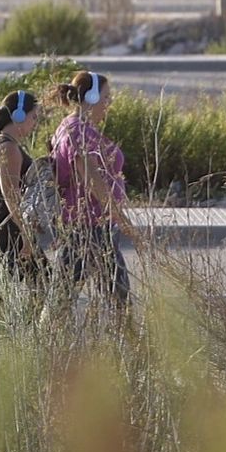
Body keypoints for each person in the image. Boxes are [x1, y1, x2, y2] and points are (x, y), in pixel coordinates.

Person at [49, 70, 139, 308]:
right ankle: (130, 342)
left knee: (67, 296)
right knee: (116, 298)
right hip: (90, 227)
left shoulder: (73, 127)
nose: (108, 104)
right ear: (90, 98)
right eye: (106, 98)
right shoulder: (80, 132)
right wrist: (121, 218)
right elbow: (92, 179)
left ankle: (124, 341)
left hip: (89, 225)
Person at [0, 89, 48, 287]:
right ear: (19, 115)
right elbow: (11, 195)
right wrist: (26, 235)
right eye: (33, 117)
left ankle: (24, 319)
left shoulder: (5, 143)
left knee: (22, 286)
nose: (35, 123)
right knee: (41, 283)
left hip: (8, 224)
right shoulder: (8, 149)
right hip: (9, 226)